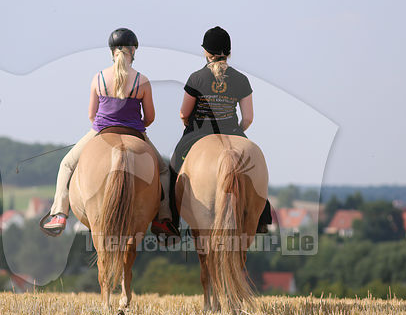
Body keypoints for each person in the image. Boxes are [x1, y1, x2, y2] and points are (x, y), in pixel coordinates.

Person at [44, 28, 179, 237]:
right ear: (133, 51)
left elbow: (91, 114)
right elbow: (150, 117)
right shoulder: (141, 80)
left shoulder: (98, 78)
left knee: (67, 163)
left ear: (111, 52)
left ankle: (60, 213)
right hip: (135, 132)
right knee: (162, 171)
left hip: (101, 131)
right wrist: (136, 125)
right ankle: (163, 217)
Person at [169, 26, 272, 231]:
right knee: (255, 167)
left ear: (206, 52)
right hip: (233, 131)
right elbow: (248, 118)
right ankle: (262, 215)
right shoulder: (242, 79)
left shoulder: (196, 78)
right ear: (229, 52)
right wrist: (237, 131)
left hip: (198, 133)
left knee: (172, 167)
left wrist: (187, 125)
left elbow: (183, 113)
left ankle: (169, 217)